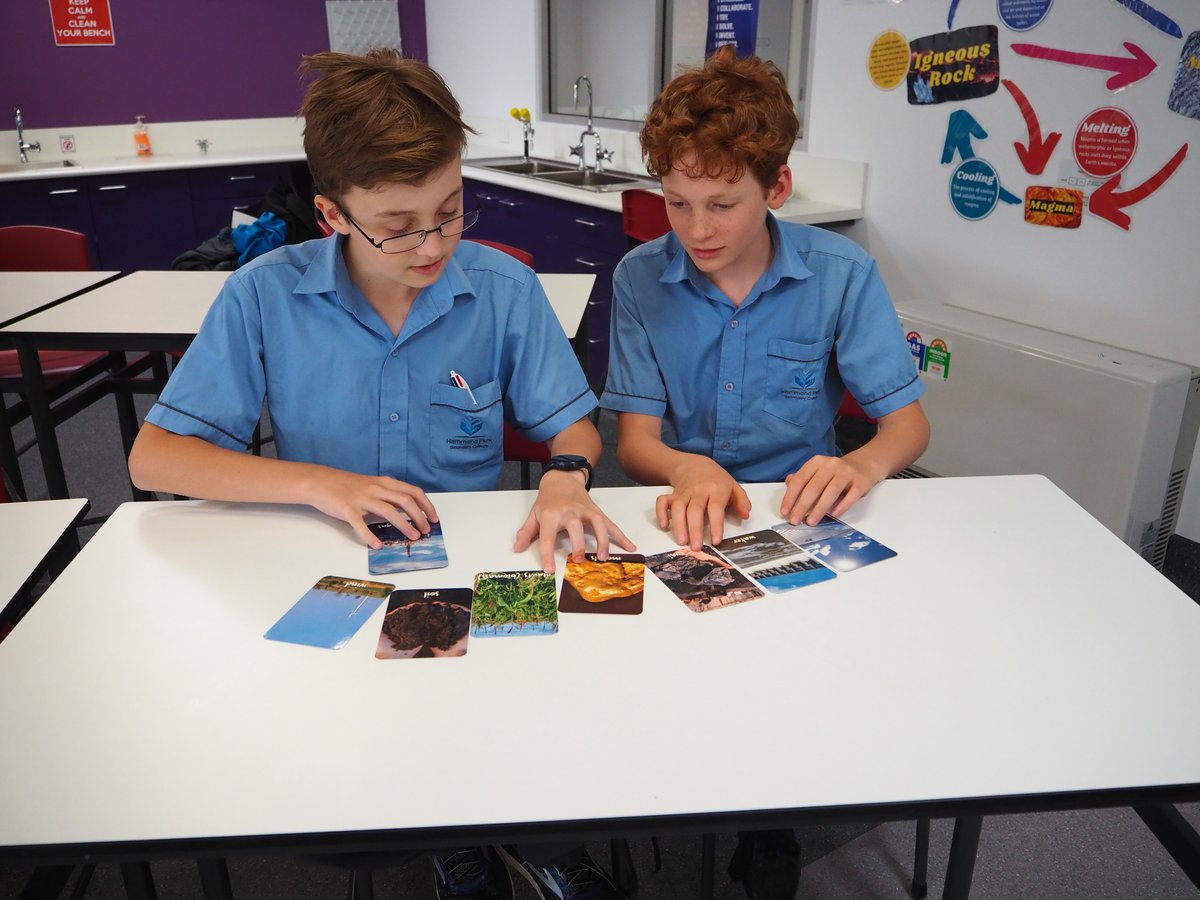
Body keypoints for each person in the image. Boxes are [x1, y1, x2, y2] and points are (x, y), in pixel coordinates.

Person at [128, 49, 632, 900]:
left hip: (477, 559)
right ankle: (447, 835)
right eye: (399, 224)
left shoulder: (503, 290)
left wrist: (567, 474)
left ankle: (536, 831)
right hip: (329, 568)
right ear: (331, 214)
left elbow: (572, 423)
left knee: (543, 695)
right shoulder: (264, 297)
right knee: (366, 723)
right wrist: (319, 483)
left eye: (451, 210)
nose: (432, 242)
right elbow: (153, 460)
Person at [599, 45, 930, 900]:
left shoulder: (841, 272)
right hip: (673, 512)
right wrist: (686, 465)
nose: (697, 229)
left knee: (789, 691)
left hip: (795, 518)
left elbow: (908, 425)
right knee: (657, 684)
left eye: (722, 204)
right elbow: (633, 441)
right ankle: (661, 798)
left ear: (776, 189)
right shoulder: (641, 276)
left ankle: (770, 824)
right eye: (675, 203)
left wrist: (858, 461)